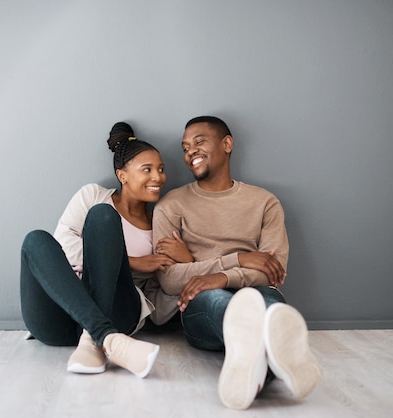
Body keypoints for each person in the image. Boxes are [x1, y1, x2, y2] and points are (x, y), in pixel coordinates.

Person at [153, 116, 321, 408]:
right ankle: (273, 355)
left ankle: (255, 363)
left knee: (268, 305)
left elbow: (273, 271)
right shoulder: (171, 205)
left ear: (227, 144)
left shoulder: (264, 202)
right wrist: (240, 260)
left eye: (199, 142)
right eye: (185, 147)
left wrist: (219, 275)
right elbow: (169, 279)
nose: (190, 151)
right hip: (201, 303)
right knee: (216, 300)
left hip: (256, 292)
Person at [20, 122, 189, 378]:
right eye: (148, 169)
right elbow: (62, 242)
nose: (159, 177)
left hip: (117, 311)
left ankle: (97, 336)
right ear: (123, 175)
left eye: (161, 170)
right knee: (35, 240)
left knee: (103, 217)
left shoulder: (160, 222)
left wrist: (187, 262)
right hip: (60, 322)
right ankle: (107, 340)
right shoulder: (93, 195)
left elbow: (162, 289)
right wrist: (131, 262)